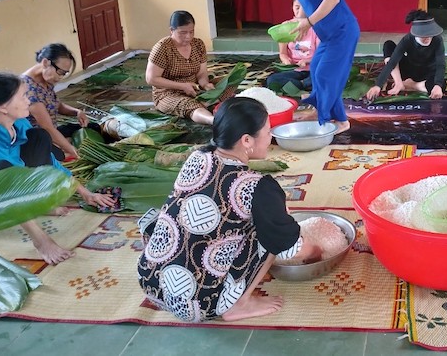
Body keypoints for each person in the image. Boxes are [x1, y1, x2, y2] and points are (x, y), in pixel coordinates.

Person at [137, 97, 322, 322]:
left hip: (152, 282)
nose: (270, 136)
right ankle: (238, 305)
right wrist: (316, 251)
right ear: (246, 140)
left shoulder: (198, 156)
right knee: (273, 232)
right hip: (198, 303)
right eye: (267, 131)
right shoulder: (257, 186)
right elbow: (289, 247)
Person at [0, 72, 115, 264]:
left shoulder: (19, 123)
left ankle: (37, 204)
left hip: (11, 175)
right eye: (23, 96)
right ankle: (40, 241)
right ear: (3, 107)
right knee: (3, 168)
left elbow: (50, 160)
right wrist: (42, 238)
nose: (29, 100)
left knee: (40, 138)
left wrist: (85, 193)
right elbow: (10, 181)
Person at [265, 0, 360, 134]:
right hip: (328, 34)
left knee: (326, 74)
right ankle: (340, 120)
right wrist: (298, 25)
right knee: (317, 70)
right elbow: (309, 7)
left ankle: (323, 114)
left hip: (342, 30)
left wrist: (308, 22)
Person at [146, 11, 235, 125]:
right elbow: (151, 79)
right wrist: (182, 86)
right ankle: (215, 121)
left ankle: (207, 102)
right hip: (168, 93)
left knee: (229, 81)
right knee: (189, 105)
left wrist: (205, 84)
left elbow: (202, 74)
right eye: (182, 33)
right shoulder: (163, 48)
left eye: (191, 32)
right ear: (171, 30)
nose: (188, 37)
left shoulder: (198, 44)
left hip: (195, 88)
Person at [21, 43, 104, 161]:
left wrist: (77, 112)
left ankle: (62, 144)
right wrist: (71, 149)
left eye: (64, 74)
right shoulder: (28, 88)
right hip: (36, 140)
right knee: (61, 155)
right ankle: (61, 147)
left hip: (53, 131)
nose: (60, 78)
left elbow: (56, 105)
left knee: (94, 128)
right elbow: (47, 128)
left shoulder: (46, 80)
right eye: (60, 72)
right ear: (45, 63)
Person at [365, 10, 446, 100]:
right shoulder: (408, 39)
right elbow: (392, 62)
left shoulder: (437, 40)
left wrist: (438, 85)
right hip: (409, 69)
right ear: (416, 33)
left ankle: (411, 85)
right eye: (423, 35)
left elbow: (440, 64)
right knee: (388, 45)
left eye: (429, 34)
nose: (427, 38)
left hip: (428, 73)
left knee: (440, 86)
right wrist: (378, 85)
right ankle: (399, 83)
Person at [266, 0, 320, 93]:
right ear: (292, 8)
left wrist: (307, 60)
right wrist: (286, 60)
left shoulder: (317, 27)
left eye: (304, 7)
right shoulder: (285, 27)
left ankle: (300, 85)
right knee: (272, 80)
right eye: (297, 7)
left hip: (314, 69)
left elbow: (321, 54)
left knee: (327, 75)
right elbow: (283, 53)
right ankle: (304, 84)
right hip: (294, 70)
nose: (300, 11)